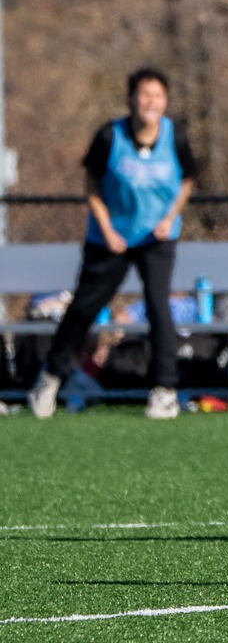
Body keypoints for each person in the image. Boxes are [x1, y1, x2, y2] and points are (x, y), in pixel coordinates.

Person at [27, 69, 197, 420]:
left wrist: (170, 217)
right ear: (131, 99)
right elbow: (91, 185)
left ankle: (164, 390)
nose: (150, 102)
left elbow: (187, 181)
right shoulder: (110, 136)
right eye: (144, 94)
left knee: (158, 307)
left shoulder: (175, 137)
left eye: (157, 95)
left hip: (156, 238)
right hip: (111, 237)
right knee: (84, 308)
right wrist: (106, 229)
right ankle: (50, 379)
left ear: (165, 101)